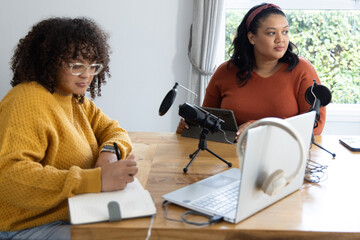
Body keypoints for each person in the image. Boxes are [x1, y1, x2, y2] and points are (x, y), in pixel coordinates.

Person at [0, 17, 138, 240]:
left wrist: (109, 153)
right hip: (27, 224)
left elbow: (114, 130)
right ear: (49, 61)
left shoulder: (75, 100)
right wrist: (96, 180)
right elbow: (9, 177)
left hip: (75, 212)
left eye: (93, 66)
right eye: (76, 66)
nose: (87, 75)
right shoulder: (27, 100)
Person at [177, 3, 326, 140]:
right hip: (231, 156)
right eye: (271, 33)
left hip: (286, 155)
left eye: (285, 32)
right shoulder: (225, 72)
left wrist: (259, 127)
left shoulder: (302, 70)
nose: (281, 39)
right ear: (252, 38)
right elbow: (207, 121)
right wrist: (191, 126)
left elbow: (316, 126)